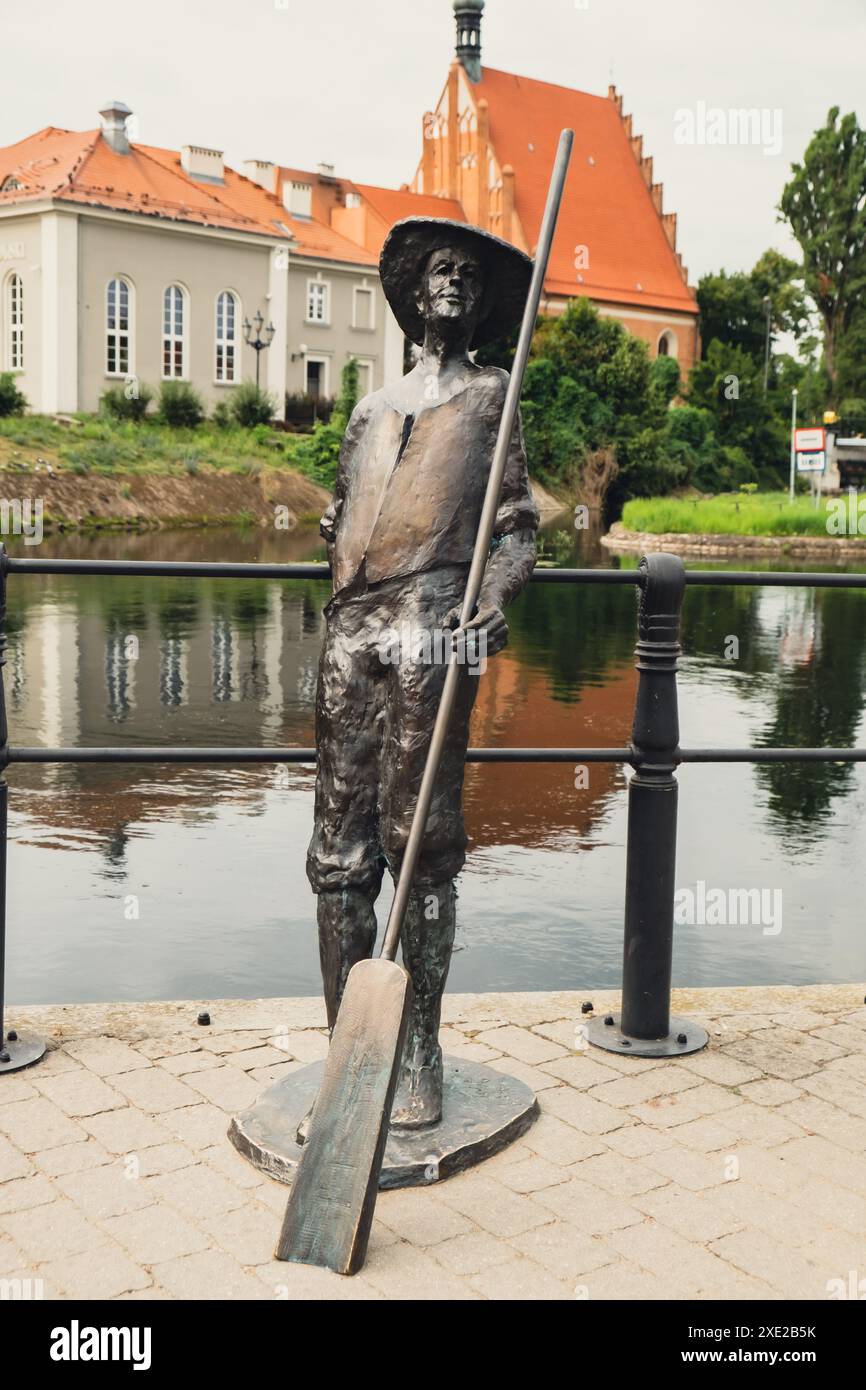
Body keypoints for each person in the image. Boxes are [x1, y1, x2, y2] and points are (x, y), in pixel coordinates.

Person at [305, 217, 539, 1129]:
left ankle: (418, 1057)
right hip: (349, 638)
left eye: (470, 278)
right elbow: (340, 513)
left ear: (481, 306)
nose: (454, 284)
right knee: (338, 857)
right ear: (412, 295)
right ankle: (345, 1061)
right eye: (440, 272)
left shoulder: (493, 398)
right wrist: (340, 534)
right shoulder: (370, 409)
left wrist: (496, 593)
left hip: (433, 634)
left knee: (422, 847)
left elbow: (517, 528)